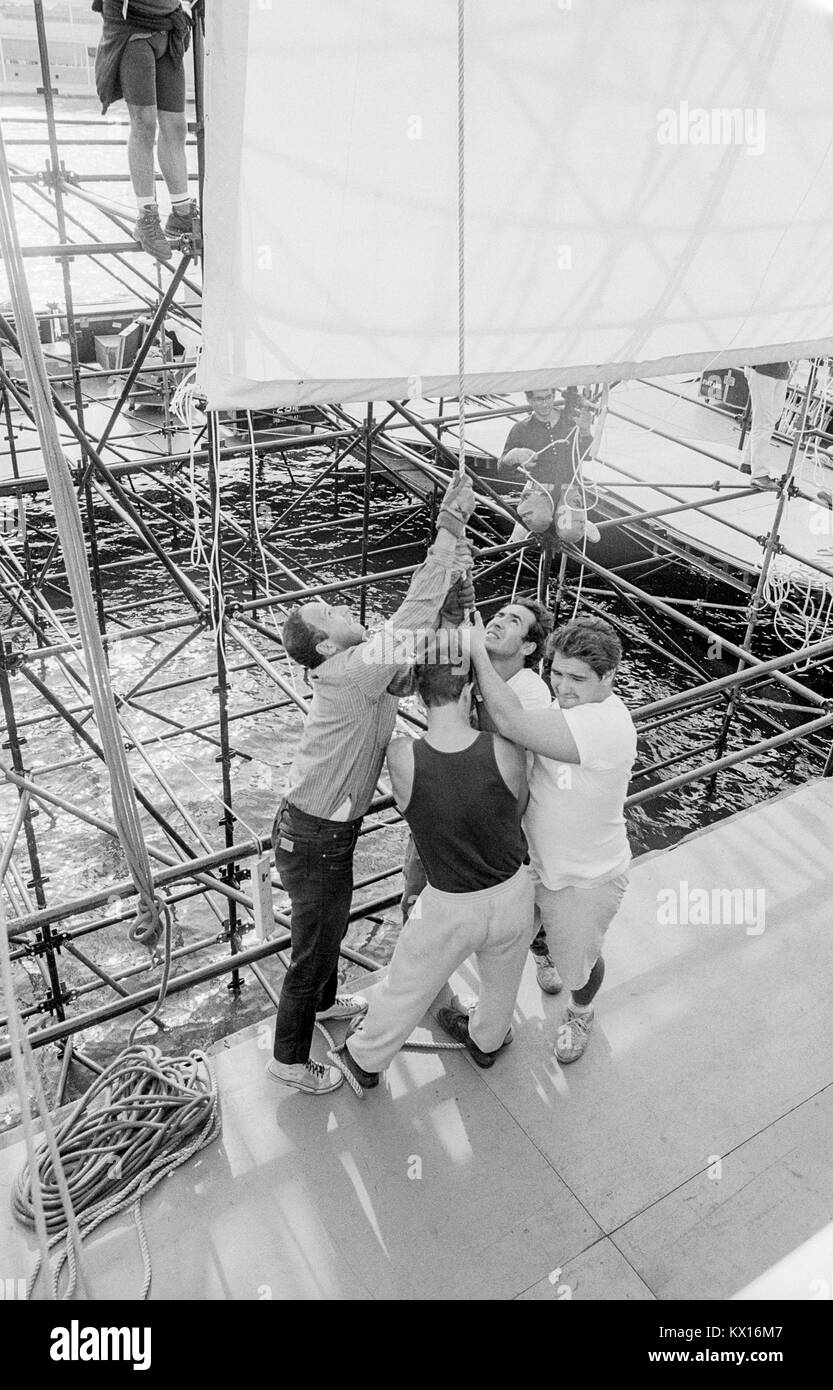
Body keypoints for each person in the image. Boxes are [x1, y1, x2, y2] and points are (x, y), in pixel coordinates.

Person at [268, 475, 476, 1094]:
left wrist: (451, 597)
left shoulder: (361, 674)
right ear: (326, 641)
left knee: (329, 928)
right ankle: (287, 1059)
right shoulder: (355, 671)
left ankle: (327, 1005)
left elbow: (408, 671)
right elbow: (409, 621)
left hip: (321, 830)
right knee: (312, 948)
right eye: (330, 612)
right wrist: (448, 528)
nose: (341, 606)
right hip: (315, 835)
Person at [338, 657, 536, 1091]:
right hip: (512, 890)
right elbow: (516, 808)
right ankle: (487, 1039)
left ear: (420, 696)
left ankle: (366, 1057)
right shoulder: (506, 750)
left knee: (408, 983)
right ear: (469, 693)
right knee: (502, 983)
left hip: (449, 903)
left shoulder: (403, 756)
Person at [468, 613, 637, 1065]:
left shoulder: (605, 725)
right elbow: (510, 718)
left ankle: (581, 1010)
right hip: (534, 864)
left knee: (578, 967)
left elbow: (510, 721)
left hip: (584, 879)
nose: (563, 688)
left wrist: (474, 650)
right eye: (556, 673)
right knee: (520, 935)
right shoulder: (566, 710)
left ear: (609, 677)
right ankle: (543, 954)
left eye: (577, 679)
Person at [399, 597, 553, 924]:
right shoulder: (464, 665)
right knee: (417, 908)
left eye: (513, 621)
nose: (496, 622)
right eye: (497, 615)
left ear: (527, 648)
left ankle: (541, 949)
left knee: (513, 912)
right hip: (441, 811)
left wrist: (478, 662)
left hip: (495, 823)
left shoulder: (532, 689)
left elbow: (508, 742)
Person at [93, 0, 198, 262]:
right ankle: (147, 217)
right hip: (133, 29)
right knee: (144, 123)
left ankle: (182, 213)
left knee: (176, 126)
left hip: (167, 27)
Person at [500, 387, 600, 545]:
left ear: (554, 396)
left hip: (569, 490)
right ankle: (531, 519)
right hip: (539, 490)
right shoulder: (521, 429)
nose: (545, 404)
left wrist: (585, 431)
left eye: (549, 397)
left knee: (571, 534)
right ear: (529, 400)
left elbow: (587, 456)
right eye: (539, 399)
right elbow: (502, 468)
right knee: (538, 521)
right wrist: (515, 455)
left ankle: (578, 520)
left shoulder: (570, 419)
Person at [740, 362, 791, 489]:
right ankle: (759, 474)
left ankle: (748, 462)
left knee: (772, 418)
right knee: (764, 421)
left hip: (781, 372)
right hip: (762, 370)